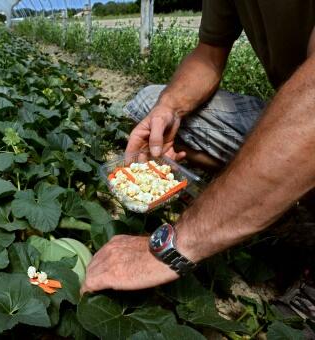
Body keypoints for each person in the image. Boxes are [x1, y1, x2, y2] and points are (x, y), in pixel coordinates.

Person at [81, 0, 315, 322]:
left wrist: (175, 245)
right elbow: (208, 54)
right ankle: (272, 197)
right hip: (294, 104)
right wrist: (169, 108)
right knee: (150, 106)